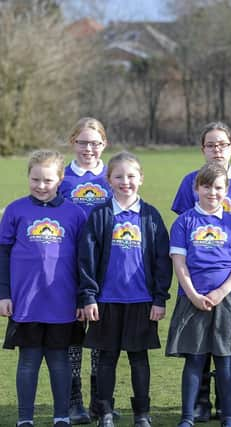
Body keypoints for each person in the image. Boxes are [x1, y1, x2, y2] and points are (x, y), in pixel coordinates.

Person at [77, 152, 172, 427]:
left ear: (141, 178)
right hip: (106, 300)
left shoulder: (151, 216)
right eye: (118, 176)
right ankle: (105, 411)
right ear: (109, 180)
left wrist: (159, 298)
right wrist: (89, 296)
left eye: (131, 176)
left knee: (139, 359)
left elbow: (162, 261)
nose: (125, 181)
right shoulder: (100, 215)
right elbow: (87, 259)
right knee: (106, 358)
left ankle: (142, 412)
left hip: (142, 301)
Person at [171, 121, 231, 421]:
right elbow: (184, 246)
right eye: (210, 144)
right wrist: (193, 291)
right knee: (196, 355)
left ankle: (226, 409)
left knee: (224, 354)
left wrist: (224, 289)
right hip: (194, 287)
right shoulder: (188, 188)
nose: (217, 149)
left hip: (228, 288)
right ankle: (198, 406)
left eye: (222, 144)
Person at [0, 150, 86, 427]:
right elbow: (2, 254)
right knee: (28, 361)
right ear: (28, 177)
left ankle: (61, 415)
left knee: (60, 361)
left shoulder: (75, 213)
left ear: (60, 179)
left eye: (48, 180)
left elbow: (84, 261)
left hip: (62, 301)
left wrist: (83, 298)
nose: (40, 185)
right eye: (35, 179)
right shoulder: (15, 210)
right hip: (26, 302)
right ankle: (25, 418)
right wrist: (4, 293)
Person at [58, 117, 112, 425]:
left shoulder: (112, 175)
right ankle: (73, 400)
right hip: (69, 267)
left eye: (94, 142)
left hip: (108, 268)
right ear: (72, 143)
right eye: (82, 142)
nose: (88, 149)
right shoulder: (62, 177)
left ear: (104, 144)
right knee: (74, 333)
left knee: (102, 335)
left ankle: (99, 400)